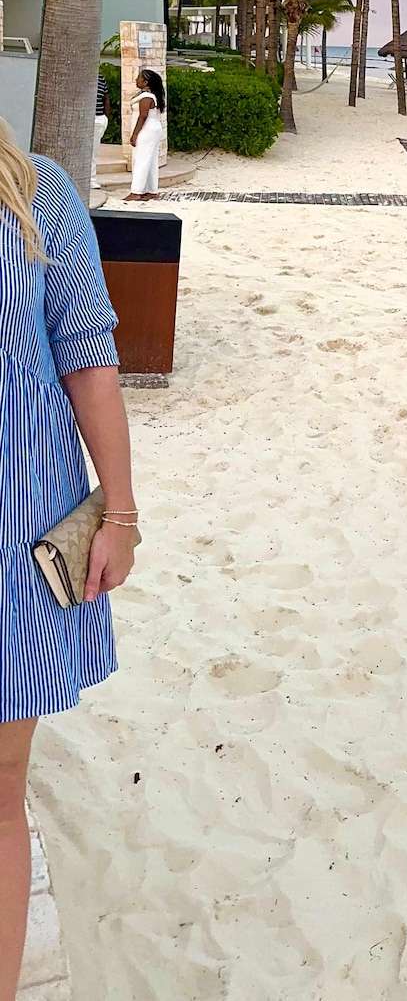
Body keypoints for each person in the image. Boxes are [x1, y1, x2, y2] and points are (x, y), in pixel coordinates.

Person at [0, 147, 125, 994]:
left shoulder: (35, 190)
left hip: (16, 543)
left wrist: (121, 514)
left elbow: (88, 362)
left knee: (1, 783)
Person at [115, 71, 162, 202]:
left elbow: (143, 115)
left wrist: (135, 134)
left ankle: (136, 191)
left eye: (139, 78)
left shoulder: (146, 97)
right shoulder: (147, 95)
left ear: (145, 82)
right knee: (150, 160)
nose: (136, 79)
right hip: (152, 129)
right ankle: (151, 190)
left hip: (147, 130)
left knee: (141, 160)